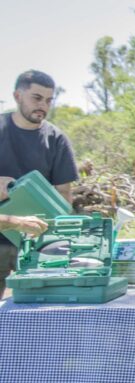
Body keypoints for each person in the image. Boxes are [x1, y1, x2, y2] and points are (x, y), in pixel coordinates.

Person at [0, 70, 78, 298]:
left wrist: (54, 234)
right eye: (36, 98)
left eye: (48, 100)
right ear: (17, 96)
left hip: (37, 241)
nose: (43, 106)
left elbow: (64, 195)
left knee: (40, 306)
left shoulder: (56, 139)